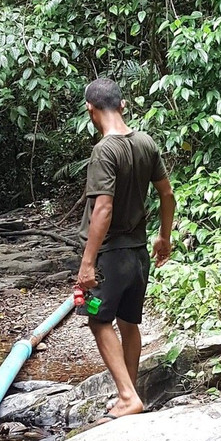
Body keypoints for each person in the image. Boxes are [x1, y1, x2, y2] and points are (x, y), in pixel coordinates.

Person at [75, 78, 176, 422]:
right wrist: (164, 237)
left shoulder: (105, 150)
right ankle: (129, 394)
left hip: (112, 256)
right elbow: (167, 194)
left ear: (91, 110)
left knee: (98, 321)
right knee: (129, 322)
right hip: (138, 253)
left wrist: (88, 263)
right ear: (122, 105)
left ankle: (127, 396)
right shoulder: (146, 143)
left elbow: (102, 209)